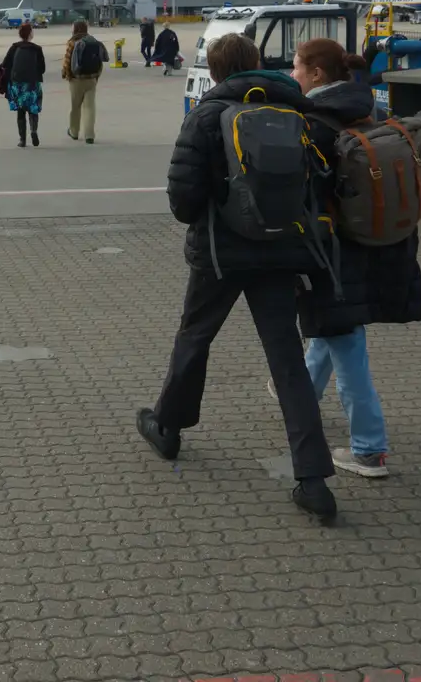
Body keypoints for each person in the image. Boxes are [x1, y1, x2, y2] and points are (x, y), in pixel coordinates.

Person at [136, 32, 338, 520]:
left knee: (195, 337)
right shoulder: (297, 112)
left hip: (220, 254)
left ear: (217, 70)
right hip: (279, 249)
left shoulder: (206, 115)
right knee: (287, 358)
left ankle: (168, 428)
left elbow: (183, 200)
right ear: (256, 63)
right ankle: (313, 479)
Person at [287, 36, 421, 479]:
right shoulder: (370, 109)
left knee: (347, 344)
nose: (293, 76)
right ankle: (298, 393)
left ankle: (369, 449)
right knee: (336, 327)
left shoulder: (314, 123)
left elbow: (305, 194)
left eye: (296, 67)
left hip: (335, 252)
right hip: (381, 245)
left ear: (317, 75)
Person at [0, 21, 46, 148]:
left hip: (18, 84)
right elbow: (42, 68)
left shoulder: (14, 47)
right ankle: (34, 131)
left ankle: (22, 139)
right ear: (30, 34)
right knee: (33, 109)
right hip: (32, 84)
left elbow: (5, 64)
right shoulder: (37, 49)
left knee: (20, 111)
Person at [61, 19, 105, 144]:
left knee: (75, 107)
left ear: (75, 29)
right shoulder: (93, 41)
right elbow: (100, 62)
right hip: (91, 79)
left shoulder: (72, 42)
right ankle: (89, 135)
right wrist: (96, 77)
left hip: (76, 80)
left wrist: (66, 75)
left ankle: (74, 132)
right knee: (90, 107)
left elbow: (67, 62)